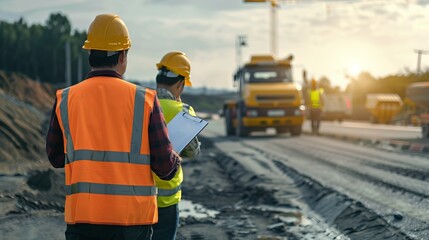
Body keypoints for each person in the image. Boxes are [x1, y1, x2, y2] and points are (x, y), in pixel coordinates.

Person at [45, 14, 181, 240]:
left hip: (83, 219)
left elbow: (55, 157)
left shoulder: (66, 98)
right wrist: (176, 159)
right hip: (132, 221)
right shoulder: (145, 99)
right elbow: (165, 167)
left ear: (90, 54)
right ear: (122, 56)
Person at [151, 51, 201, 240]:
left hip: (137, 198)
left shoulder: (139, 104)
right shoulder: (184, 111)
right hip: (166, 201)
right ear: (180, 84)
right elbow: (192, 151)